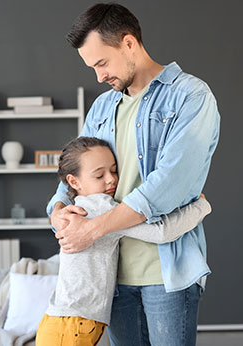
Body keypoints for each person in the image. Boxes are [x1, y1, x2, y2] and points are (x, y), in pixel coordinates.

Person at [47, 3, 220, 346]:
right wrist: (58, 210)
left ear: (129, 44)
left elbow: (168, 185)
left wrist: (91, 229)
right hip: (111, 276)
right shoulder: (102, 107)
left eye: (102, 63)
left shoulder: (190, 96)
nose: (99, 76)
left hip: (165, 272)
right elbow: (74, 173)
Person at [36, 137, 211, 346]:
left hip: (60, 323)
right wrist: (201, 207)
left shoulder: (75, 208)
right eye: (99, 175)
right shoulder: (99, 207)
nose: (111, 180)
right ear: (74, 182)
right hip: (72, 326)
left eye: (113, 170)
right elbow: (161, 233)